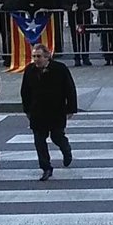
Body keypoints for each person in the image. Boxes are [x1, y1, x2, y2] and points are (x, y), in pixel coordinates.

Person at [19, 44, 76, 181]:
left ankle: (66, 150)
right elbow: (25, 91)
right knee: (39, 141)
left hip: (56, 111)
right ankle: (46, 167)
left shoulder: (60, 68)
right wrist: (27, 110)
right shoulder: (30, 70)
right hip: (37, 112)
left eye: (38, 56)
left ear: (47, 57)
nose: (36, 59)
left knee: (57, 136)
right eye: (34, 56)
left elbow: (70, 88)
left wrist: (71, 108)